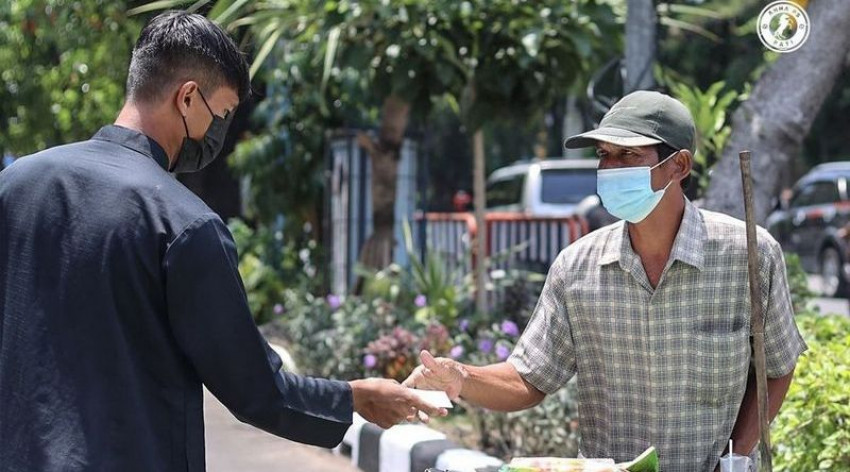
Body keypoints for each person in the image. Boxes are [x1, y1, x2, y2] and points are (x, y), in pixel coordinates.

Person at [0, 11, 444, 472]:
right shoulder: (182, 223)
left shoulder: (15, 185)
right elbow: (256, 390)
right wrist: (354, 398)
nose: (219, 133)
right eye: (223, 114)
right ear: (188, 97)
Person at [404, 91, 806, 472]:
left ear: (679, 165)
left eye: (628, 154)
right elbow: (528, 378)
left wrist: (735, 456)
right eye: (603, 154)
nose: (610, 168)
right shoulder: (576, 268)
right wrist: (462, 376)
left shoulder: (749, 255)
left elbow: (775, 367)